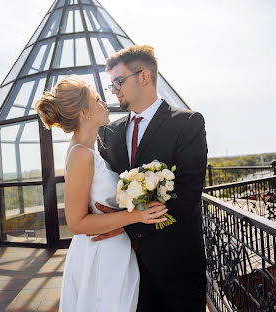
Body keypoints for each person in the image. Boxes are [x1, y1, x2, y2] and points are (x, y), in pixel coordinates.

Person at [35, 75, 167, 312]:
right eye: (97, 99)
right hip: (99, 256)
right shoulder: (80, 155)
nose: (105, 103)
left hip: (112, 250)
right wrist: (136, 215)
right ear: (84, 113)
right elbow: (76, 223)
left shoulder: (90, 149)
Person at [95, 45, 208, 311]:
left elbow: (188, 193)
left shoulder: (188, 123)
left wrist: (125, 224)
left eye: (118, 81)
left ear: (144, 76)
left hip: (177, 263)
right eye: (111, 84)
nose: (114, 90)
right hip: (124, 264)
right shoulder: (108, 133)